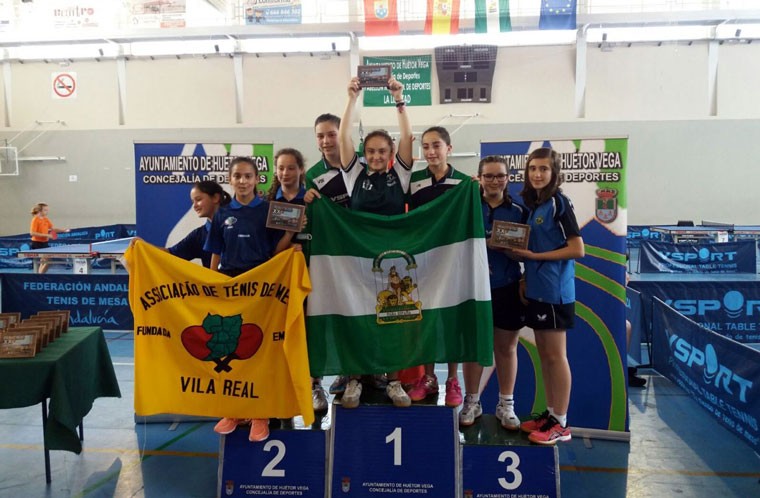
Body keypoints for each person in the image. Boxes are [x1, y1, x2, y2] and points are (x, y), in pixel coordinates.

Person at [205, 156, 300, 442]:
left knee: (259, 352)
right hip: (231, 287)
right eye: (238, 176)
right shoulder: (222, 214)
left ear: (257, 179)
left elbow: (275, 250)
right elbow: (215, 254)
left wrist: (290, 241)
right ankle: (233, 411)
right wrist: (211, 286)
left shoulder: (270, 210)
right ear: (230, 180)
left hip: (262, 289)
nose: (243, 181)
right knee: (231, 351)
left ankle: (261, 414)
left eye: (248, 176)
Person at [336, 74, 413, 408]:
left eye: (382, 151)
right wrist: (351, 98)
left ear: (392, 152)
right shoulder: (354, 175)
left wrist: (399, 97)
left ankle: (393, 381)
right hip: (358, 259)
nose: (376, 156)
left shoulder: (402, 174)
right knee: (358, 319)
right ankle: (354, 380)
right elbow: (343, 136)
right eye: (371, 151)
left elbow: (409, 135)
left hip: (393, 259)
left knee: (392, 319)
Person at [510, 147, 584, 446]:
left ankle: (562, 425)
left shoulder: (559, 203)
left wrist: (534, 256)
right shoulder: (536, 205)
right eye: (533, 169)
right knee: (546, 357)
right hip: (538, 290)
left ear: (554, 173)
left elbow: (578, 248)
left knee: (556, 357)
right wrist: (527, 275)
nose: (537, 174)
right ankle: (552, 415)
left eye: (544, 169)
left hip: (556, 293)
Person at [459, 156, 528, 430]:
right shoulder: (467, 208)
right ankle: (472, 402)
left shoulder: (519, 212)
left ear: (508, 178)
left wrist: (512, 253)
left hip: (507, 287)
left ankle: (506, 405)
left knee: (506, 347)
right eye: (488, 176)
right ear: (480, 178)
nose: (494, 181)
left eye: (500, 176)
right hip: (474, 288)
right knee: (475, 347)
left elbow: (526, 251)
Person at [405, 126, 470, 408]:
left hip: (452, 264)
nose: (431, 152)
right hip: (422, 264)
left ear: (449, 148)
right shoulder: (414, 182)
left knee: (451, 321)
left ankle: (452, 379)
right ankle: (428, 377)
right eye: (426, 146)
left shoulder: (465, 184)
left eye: (436, 146)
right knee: (424, 320)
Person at [267, 147, 332, 412]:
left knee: (314, 328)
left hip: (316, 270)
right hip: (284, 277)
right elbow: (271, 252)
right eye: (281, 168)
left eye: (291, 168)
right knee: (287, 331)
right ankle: (284, 385)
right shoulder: (270, 202)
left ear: (301, 170)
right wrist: (292, 234)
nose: (285, 173)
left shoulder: (315, 197)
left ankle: (314, 384)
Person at [304, 114, 352, 397]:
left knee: (355, 316)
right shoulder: (312, 176)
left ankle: (353, 372)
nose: (325, 141)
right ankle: (316, 381)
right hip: (329, 258)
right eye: (320, 136)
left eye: (331, 134)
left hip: (360, 254)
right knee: (325, 318)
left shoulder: (361, 162)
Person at [167, 180, 231, 269]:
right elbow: (170, 254)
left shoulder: (243, 225)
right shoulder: (199, 235)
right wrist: (142, 245)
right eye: (193, 201)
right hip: (216, 282)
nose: (194, 206)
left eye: (198, 199)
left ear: (215, 198)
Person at [29, 202, 69, 274]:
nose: (47, 211)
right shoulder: (35, 219)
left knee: (45, 261)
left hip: (45, 243)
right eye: (45, 210)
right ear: (40, 211)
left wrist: (63, 230)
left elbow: (52, 229)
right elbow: (32, 233)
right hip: (37, 243)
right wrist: (47, 235)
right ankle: (39, 275)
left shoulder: (46, 219)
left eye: (47, 210)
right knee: (47, 260)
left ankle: (39, 275)